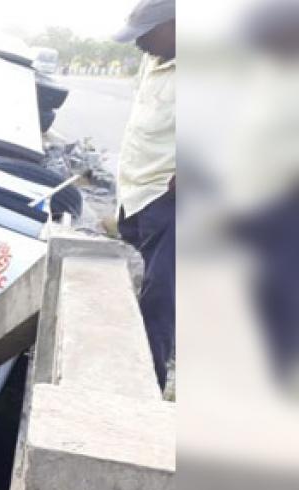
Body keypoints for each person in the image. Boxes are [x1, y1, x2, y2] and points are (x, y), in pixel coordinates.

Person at [112, 0, 175, 391]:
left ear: (173, 25)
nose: (138, 44)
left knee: (160, 299)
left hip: (175, 202)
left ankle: (144, 393)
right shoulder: (155, 60)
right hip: (139, 193)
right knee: (151, 286)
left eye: (145, 34)